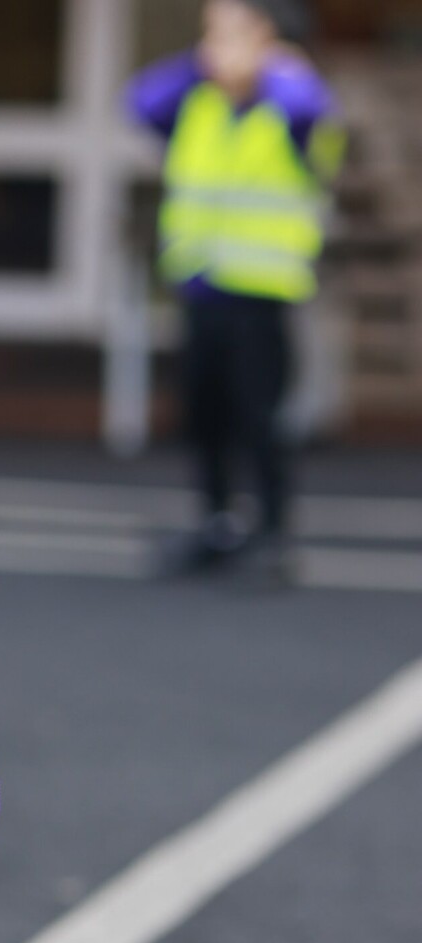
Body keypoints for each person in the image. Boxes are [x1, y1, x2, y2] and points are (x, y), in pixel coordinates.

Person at [129, 0, 343, 581]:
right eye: (211, 35)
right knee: (205, 415)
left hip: (261, 292)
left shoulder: (293, 106)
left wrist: (274, 67)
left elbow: (310, 108)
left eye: (231, 34)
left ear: (270, 39)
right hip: (202, 286)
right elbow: (141, 99)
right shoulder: (198, 102)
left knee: (260, 418)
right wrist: (201, 67)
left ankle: (274, 534)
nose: (216, 48)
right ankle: (217, 524)